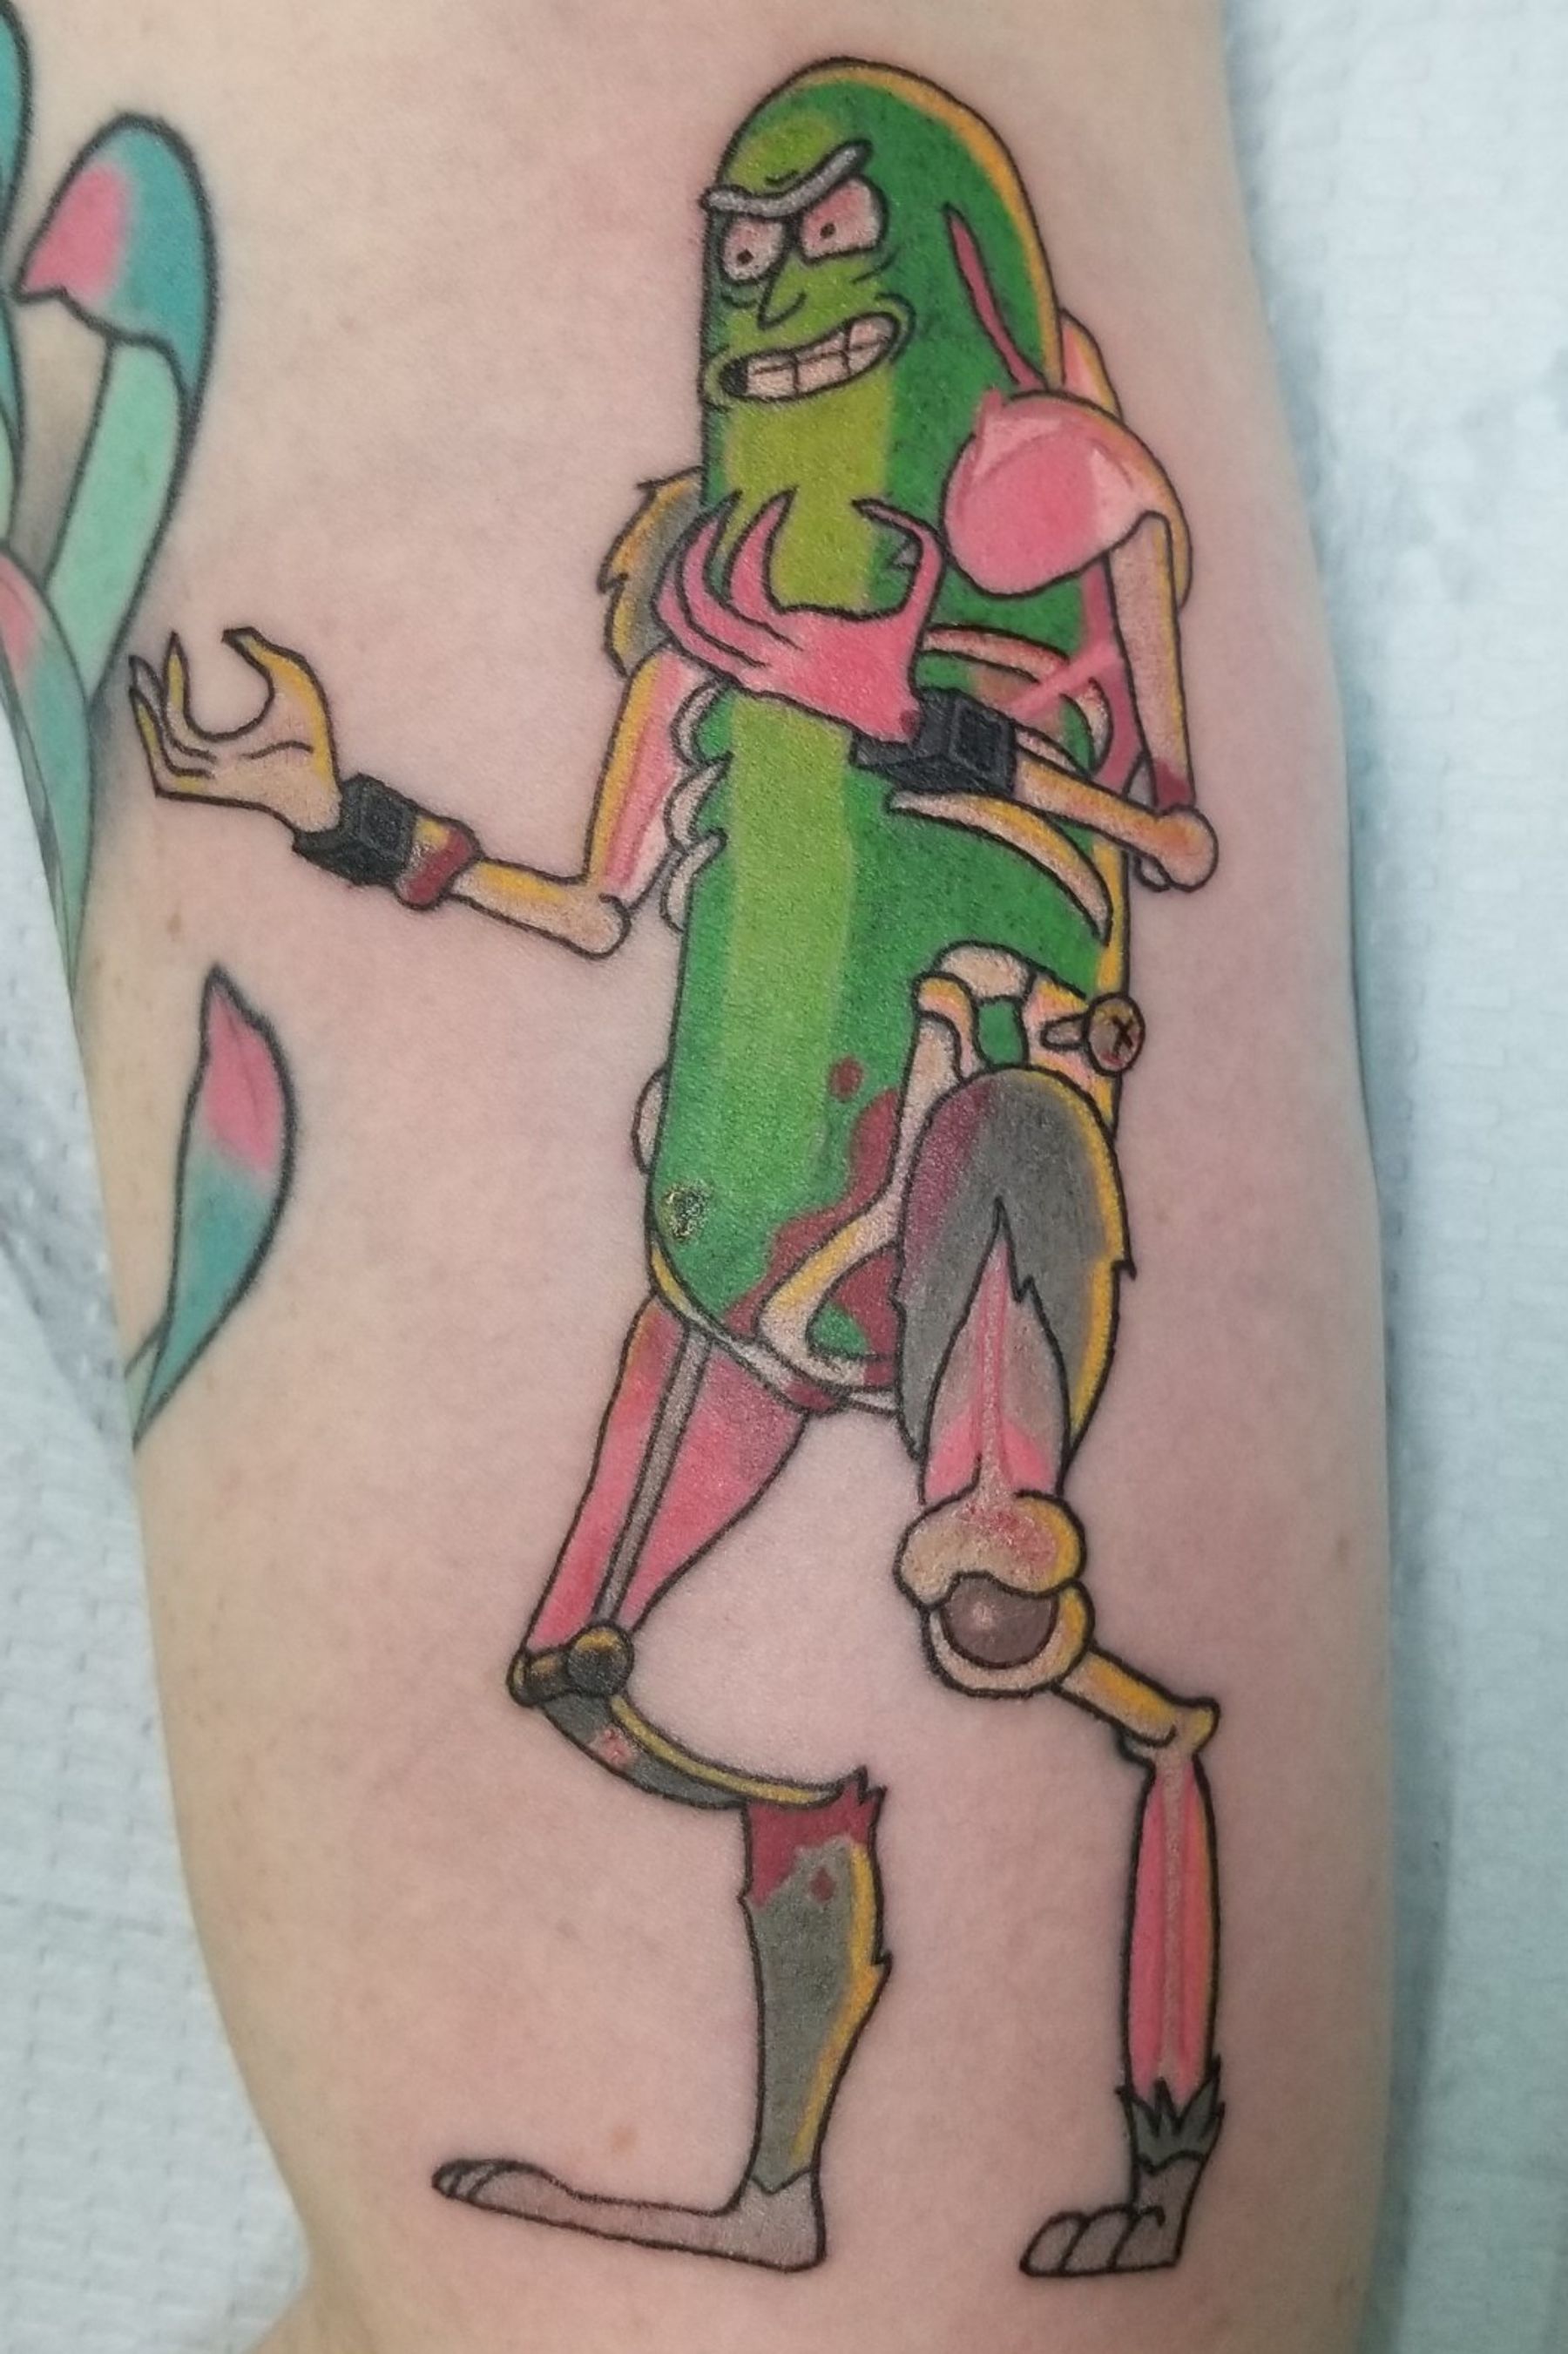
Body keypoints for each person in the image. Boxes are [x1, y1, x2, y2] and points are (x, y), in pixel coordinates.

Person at [8, 3, 1389, 2348]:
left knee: (1018, 1605)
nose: (776, 289)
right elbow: (586, 904)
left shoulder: (1044, 493)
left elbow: (1166, 832)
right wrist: (328, 803)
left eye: (818, 242)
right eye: (748, 255)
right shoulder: (710, 577)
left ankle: (1147, 2107)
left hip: (961, 1136)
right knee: (576, 1667)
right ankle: (790, 2055)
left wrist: (926, 724)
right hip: (735, 1234)